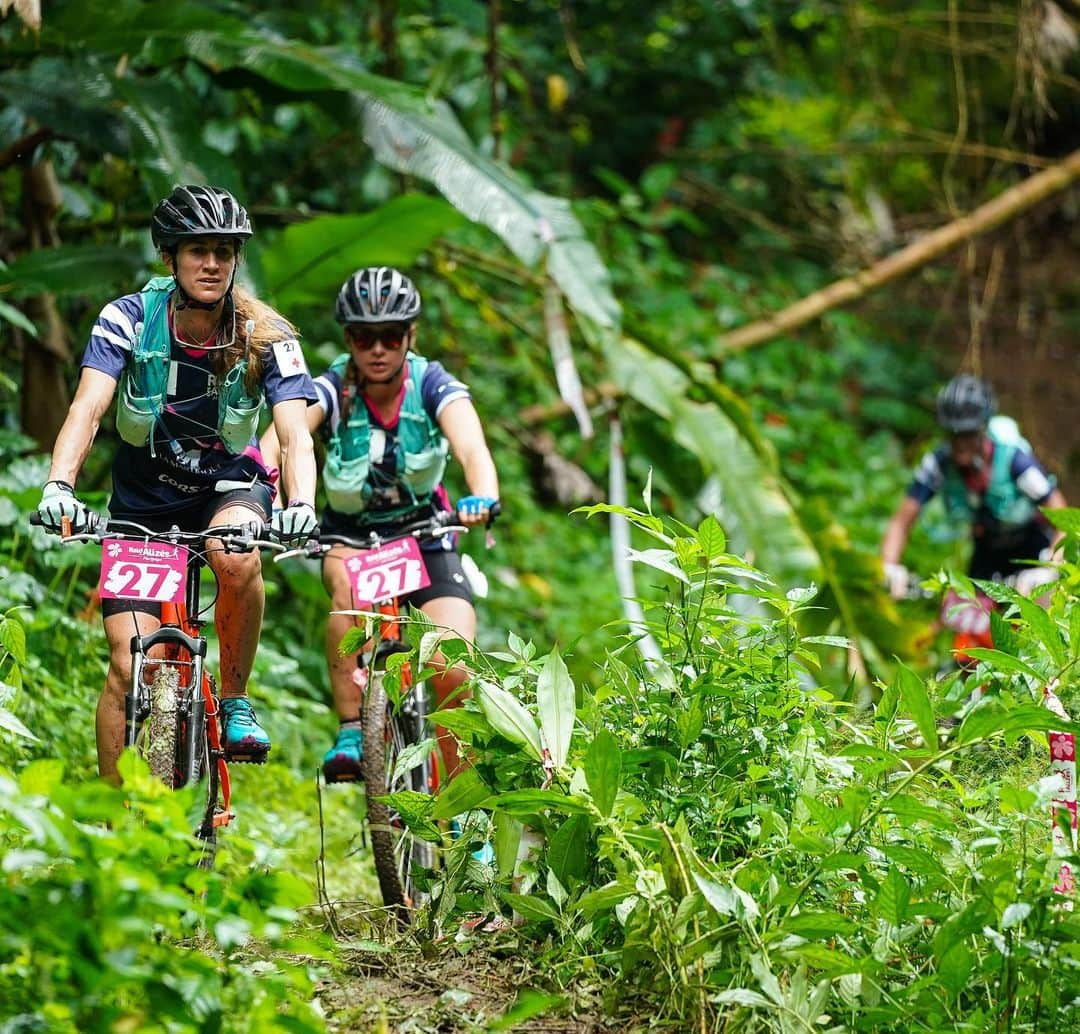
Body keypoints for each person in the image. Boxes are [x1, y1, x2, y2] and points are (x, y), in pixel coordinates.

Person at [36, 185, 319, 782]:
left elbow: (294, 434)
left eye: (224, 251)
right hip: (143, 501)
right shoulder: (128, 320)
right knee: (126, 666)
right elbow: (88, 409)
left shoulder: (268, 335)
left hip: (229, 491)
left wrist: (301, 504)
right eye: (197, 251)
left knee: (235, 554)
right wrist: (60, 485)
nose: (212, 264)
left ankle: (237, 699)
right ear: (170, 256)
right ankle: (115, 822)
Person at [259, 266, 499, 785]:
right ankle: (353, 728)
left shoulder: (433, 384)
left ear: (409, 337)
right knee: (345, 593)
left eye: (391, 336)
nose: (377, 349)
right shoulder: (332, 386)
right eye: (364, 337)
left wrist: (482, 495)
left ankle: (467, 813)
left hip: (427, 536)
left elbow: (472, 447)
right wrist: (269, 496)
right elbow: (283, 435)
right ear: (349, 339)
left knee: (454, 668)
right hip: (351, 538)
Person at [882, 373, 1067, 600]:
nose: (960, 443)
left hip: (1032, 548)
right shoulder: (939, 463)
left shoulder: (1014, 461)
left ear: (983, 430)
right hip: (986, 552)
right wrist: (889, 566)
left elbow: (1063, 520)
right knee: (969, 622)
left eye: (968, 434)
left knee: (1037, 614)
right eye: (952, 434)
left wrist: (1049, 569)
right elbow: (902, 520)